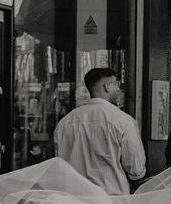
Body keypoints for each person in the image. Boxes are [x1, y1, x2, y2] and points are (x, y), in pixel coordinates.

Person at [55, 67, 146, 195]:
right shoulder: (123, 121)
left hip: (73, 200)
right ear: (107, 86)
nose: (118, 90)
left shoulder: (65, 123)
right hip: (112, 200)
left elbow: (59, 163)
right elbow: (136, 169)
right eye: (116, 85)